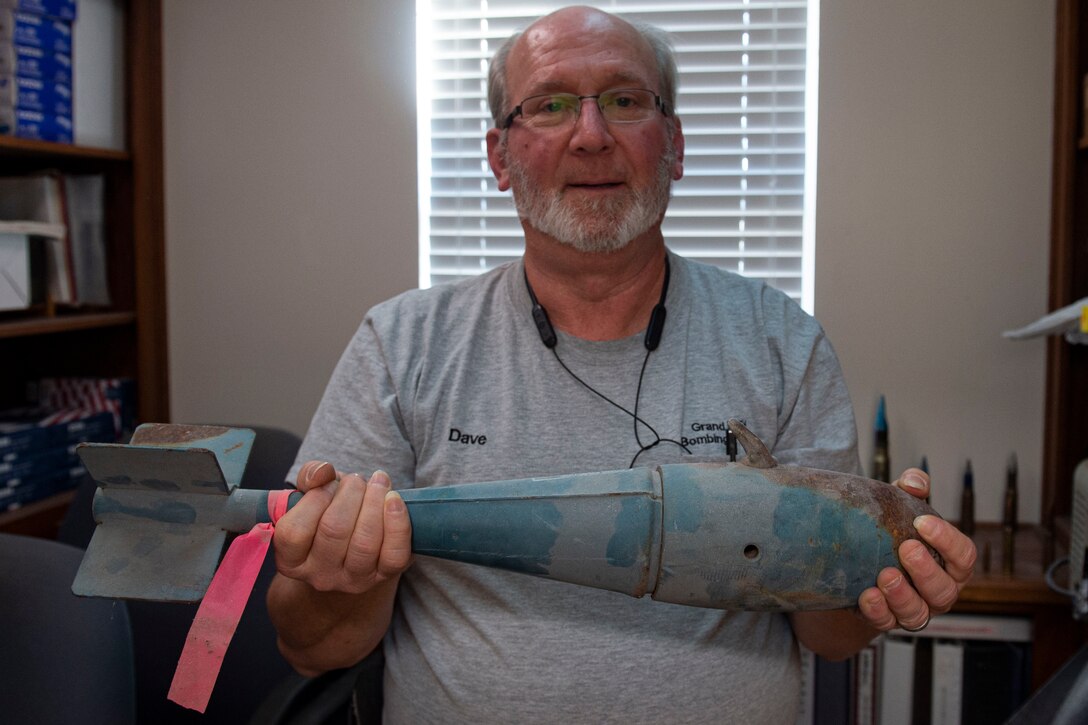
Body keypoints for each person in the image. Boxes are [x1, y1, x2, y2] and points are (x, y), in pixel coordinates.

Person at [267, 6, 976, 722]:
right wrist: (342, 573)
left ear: (674, 145)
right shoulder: (401, 344)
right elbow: (313, 648)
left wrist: (883, 582)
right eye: (548, 106)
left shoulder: (781, 341)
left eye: (625, 100)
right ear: (498, 158)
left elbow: (830, 635)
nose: (592, 135)